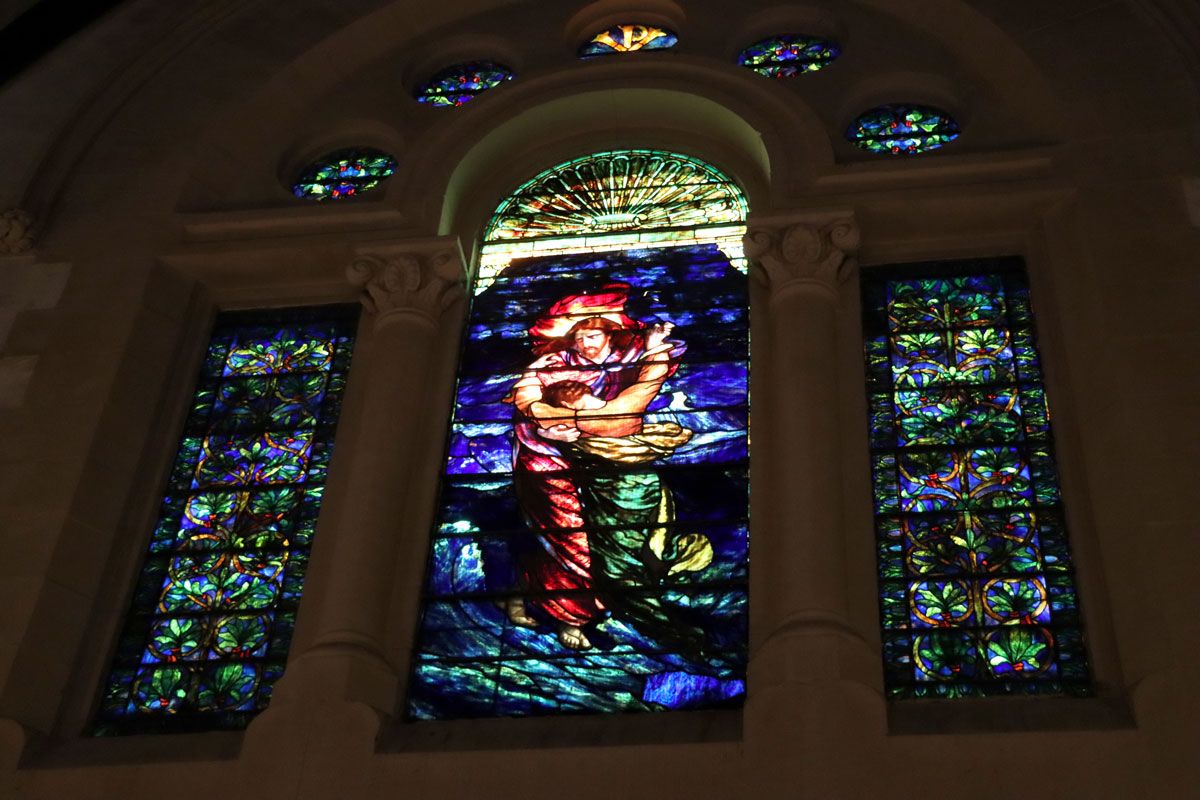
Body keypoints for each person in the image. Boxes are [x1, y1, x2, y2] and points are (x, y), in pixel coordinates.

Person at [504, 283, 694, 650]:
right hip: (549, 462)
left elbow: (633, 401)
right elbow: (528, 402)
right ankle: (569, 617)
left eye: (592, 336)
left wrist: (655, 349)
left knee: (601, 539)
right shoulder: (554, 365)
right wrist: (547, 422)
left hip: (601, 462)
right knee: (570, 538)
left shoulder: (628, 361)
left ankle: (526, 592)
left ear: (610, 333)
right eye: (578, 338)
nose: (585, 344)